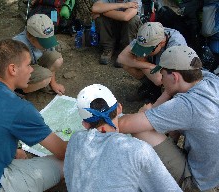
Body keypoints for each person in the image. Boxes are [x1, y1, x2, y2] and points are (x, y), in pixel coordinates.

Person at [0, 39, 67, 191]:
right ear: (12, 69)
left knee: (19, 154)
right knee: (66, 163)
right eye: (28, 65)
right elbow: (63, 151)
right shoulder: (19, 108)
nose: (32, 70)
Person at [119, 45, 219, 191]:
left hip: (196, 181)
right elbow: (174, 93)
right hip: (212, 172)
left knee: (141, 130)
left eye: (163, 74)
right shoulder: (210, 80)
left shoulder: (185, 106)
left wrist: (143, 112)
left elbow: (125, 124)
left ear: (175, 77)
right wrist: (167, 93)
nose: (161, 79)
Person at [64, 83, 182, 192]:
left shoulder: (76, 139)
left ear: (85, 124)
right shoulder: (138, 149)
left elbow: (70, 178)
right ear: (119, 108)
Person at [117, 22, 187, 102]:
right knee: (130, 62)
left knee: (158, 78)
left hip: (172, 75)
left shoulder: (176, 45)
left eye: (148, 50)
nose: (145, 53)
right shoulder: (147, 34)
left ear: (161, 43)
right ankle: (148, 87)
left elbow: (162, 78)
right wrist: (149, 65)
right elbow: (121, 58)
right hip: (155, 67)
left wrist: (140, 61)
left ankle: (162, 96)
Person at [13, 14, 65, 95]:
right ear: (30, 37)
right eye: (43, 42)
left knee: (57, 59)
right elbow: (15, 73)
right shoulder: (18, 46)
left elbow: (52, 54)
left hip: (34, 64)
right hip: (22, 71)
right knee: (46, 77)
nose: (47, 45)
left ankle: (43, 84)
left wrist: (53, 83)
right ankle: (19, 91)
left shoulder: (44, 35)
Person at [91, 0, 142, 66]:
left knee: (133, 19)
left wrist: (102, 12)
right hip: (113, 30)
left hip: (128, 33)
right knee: (100, 19)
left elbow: (125, 17)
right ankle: (108, 48)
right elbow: (95, 8)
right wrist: (124, 5)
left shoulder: (134, 1)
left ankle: (126, 51)